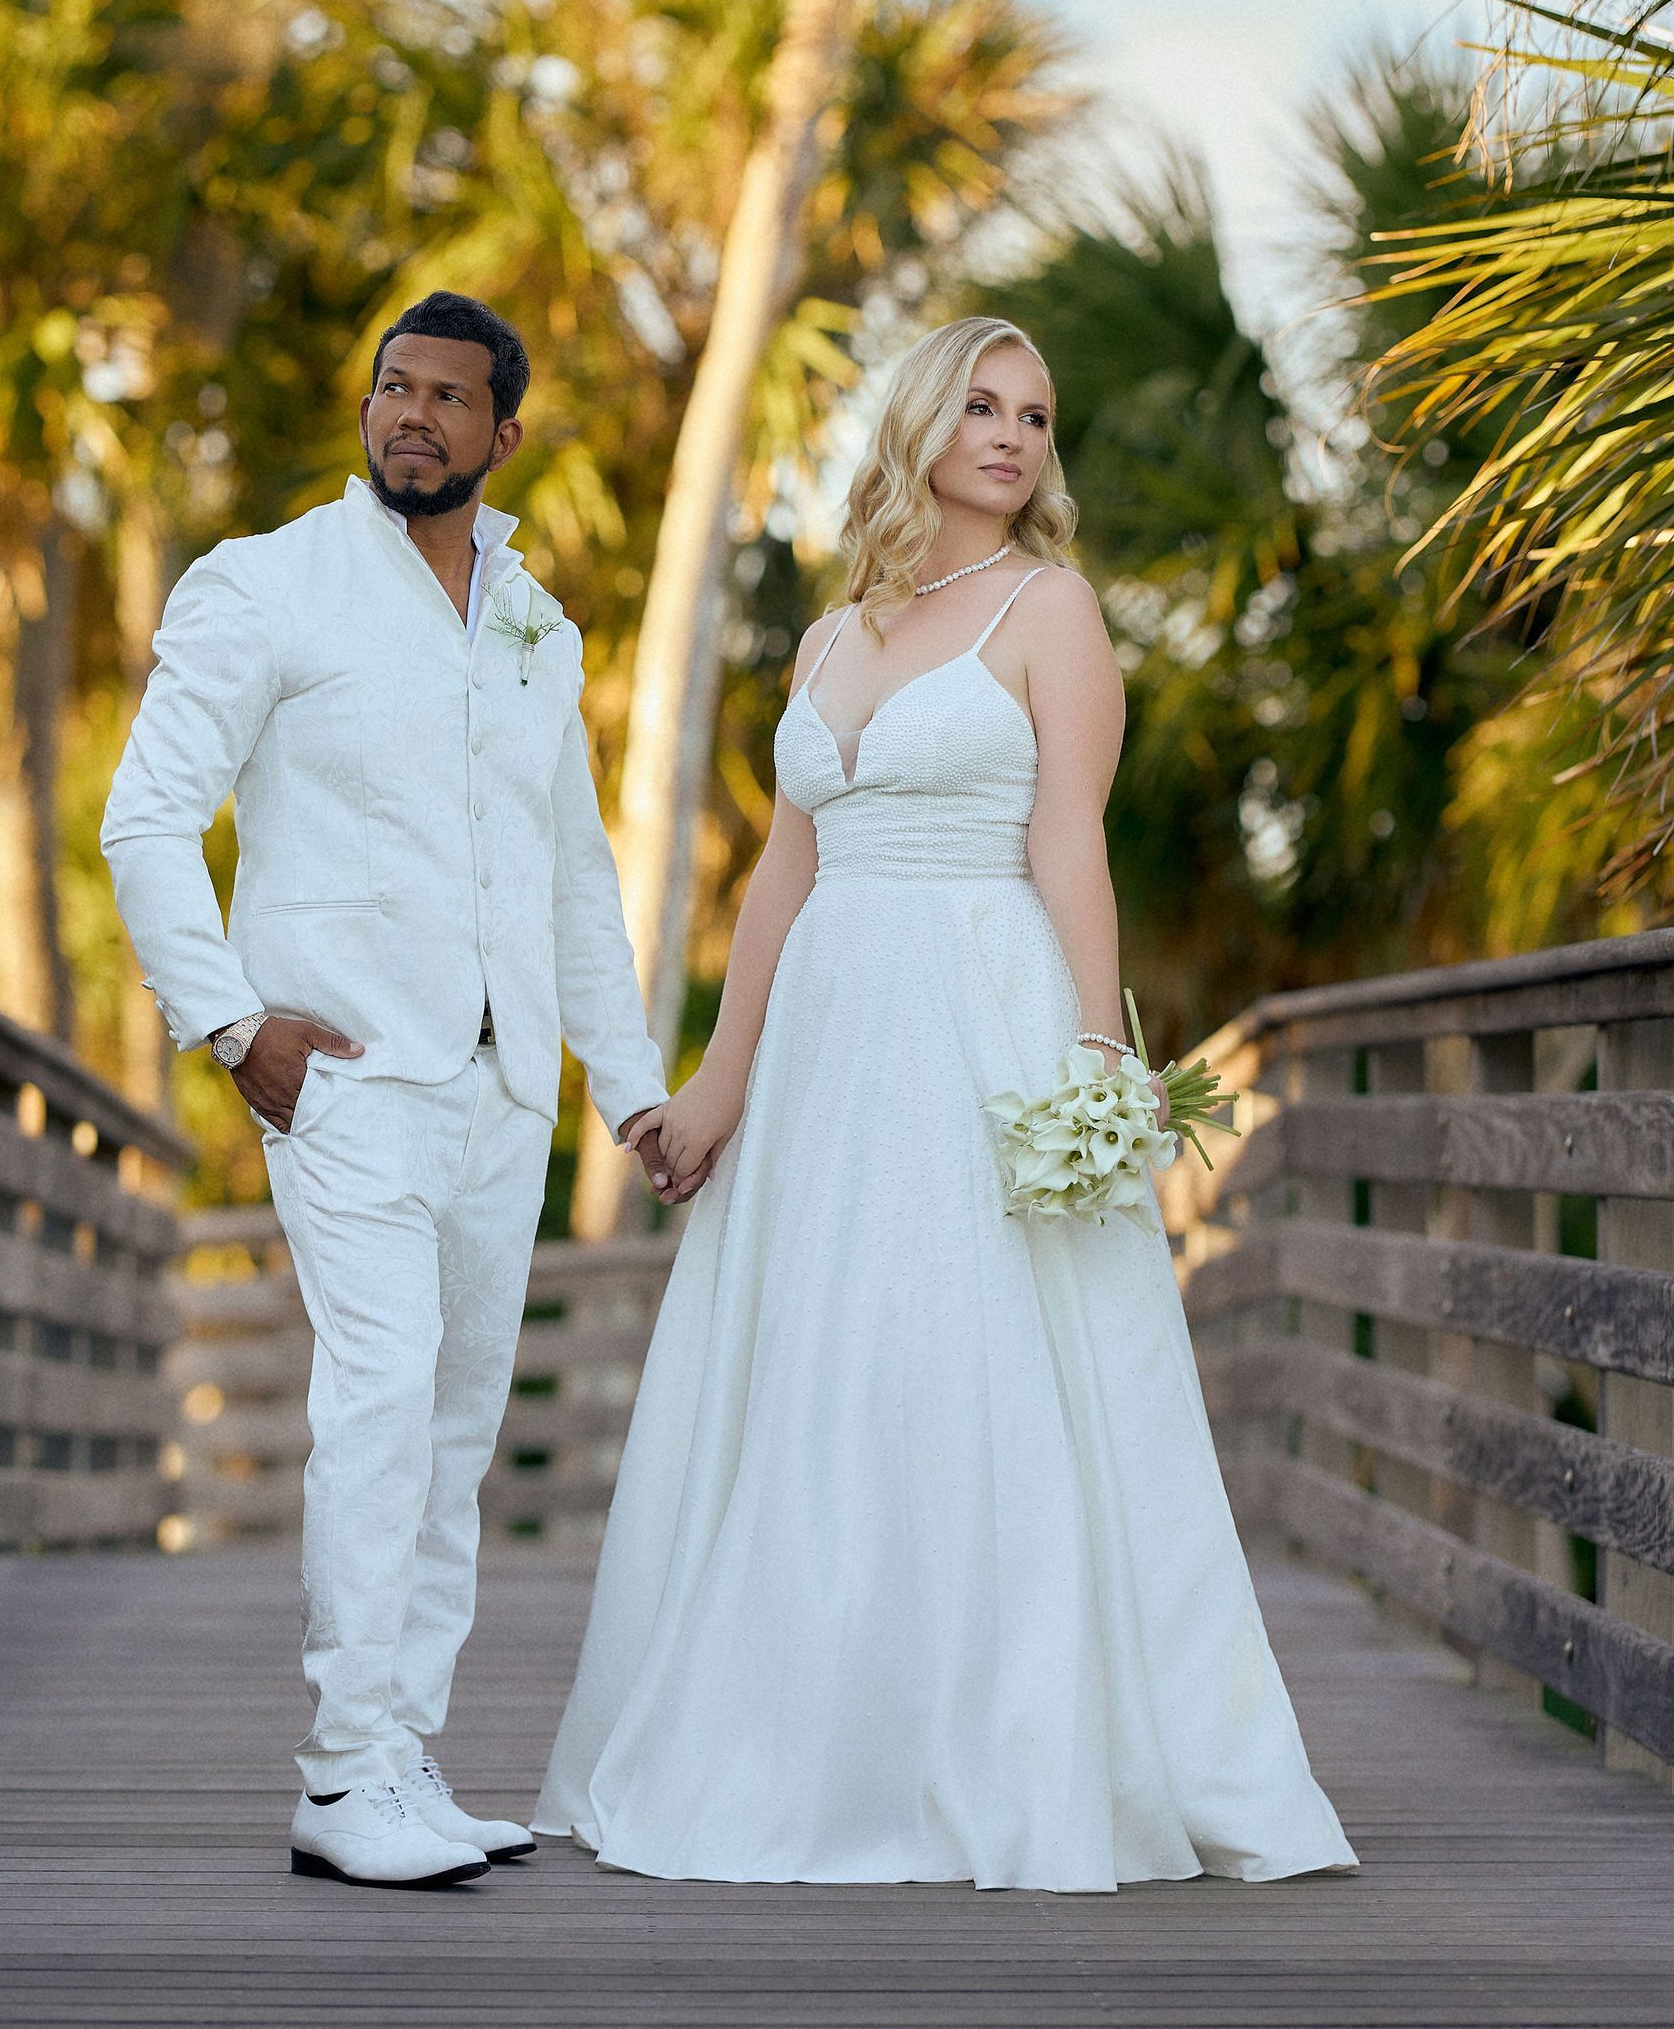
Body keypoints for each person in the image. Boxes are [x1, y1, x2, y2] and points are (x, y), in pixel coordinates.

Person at [542, 315, 1357, 1890]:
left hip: (979, 1011)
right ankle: (803, 1735)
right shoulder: (837, 632)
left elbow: (1070, 845)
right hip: (830, 1044)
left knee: (975, 1362)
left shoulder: (1051, 611)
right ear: (920, 418)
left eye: (1036, 417)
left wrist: (1094, 1061)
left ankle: (1005, 1750)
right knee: (818, 1364)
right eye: (981, 405)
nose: (1010, 436)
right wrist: (719, 1077)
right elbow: (786, 866)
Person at [102, 291, 675, 1891]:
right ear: (369, 406)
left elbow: (572, 873)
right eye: (392, 388)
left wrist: (624, 1084)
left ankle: (403, 1756)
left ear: (505, 433)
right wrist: (232, 1027)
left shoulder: (536, 624)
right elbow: (146, 820)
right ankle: (343, 1775)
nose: (412, 416)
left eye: (448, 399)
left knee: (453, 1429)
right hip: (343, 1077)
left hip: (503, 1094)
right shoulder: (268, 584)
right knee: (379, 1398)